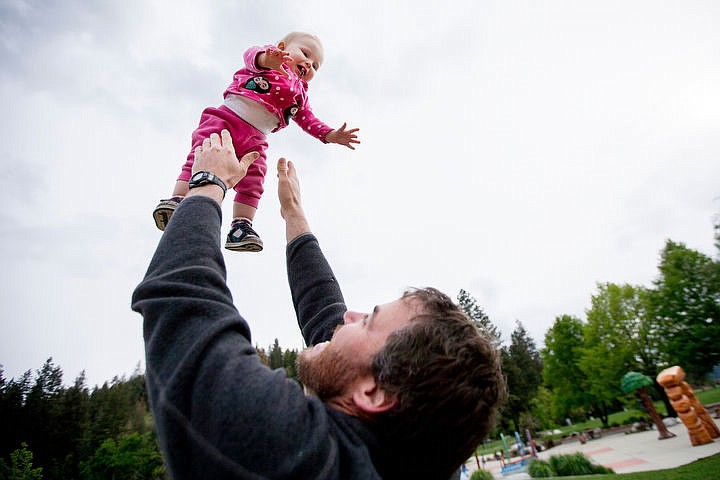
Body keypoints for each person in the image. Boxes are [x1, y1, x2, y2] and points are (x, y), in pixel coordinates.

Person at [132, 129, 504, 479]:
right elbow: (325, 315)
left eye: (367, 322)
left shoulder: (300, 458)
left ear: (374, 394)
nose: (349, 315)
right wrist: (292, 211)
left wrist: (207, 184)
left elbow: (184, 302)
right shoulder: (424, 450)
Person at [152, 31, 360, 252]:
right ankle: (178, 199)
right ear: (282, 47)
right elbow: (251, 55)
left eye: (316, 66)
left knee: (254, 180)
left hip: (257, 138)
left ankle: (241, 225)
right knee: (203, 155)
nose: (309, 64)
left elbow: (309, 120)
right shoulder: (268, 61)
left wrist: (330, 135)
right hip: (226, 119)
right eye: (306, 53)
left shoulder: (300, 94)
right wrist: (267, 59)